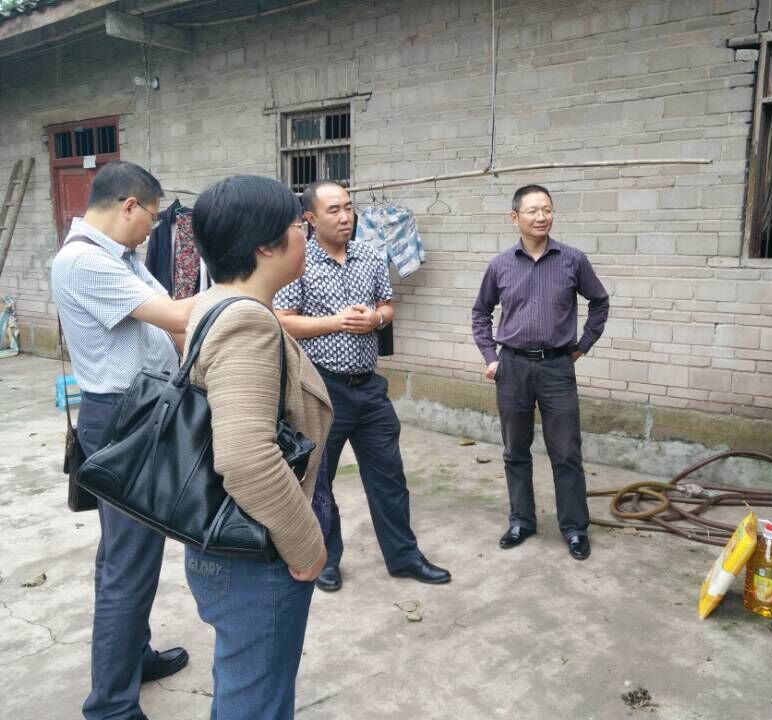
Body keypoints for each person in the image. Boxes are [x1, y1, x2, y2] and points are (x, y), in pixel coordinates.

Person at [184, 175, 332, 718]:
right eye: (298, 225)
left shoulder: (216, 301)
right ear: (265, 245)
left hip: (232, 545)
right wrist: (307, 545)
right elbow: (247, 459)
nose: (305, 236)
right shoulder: (247, 320)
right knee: (256, 704)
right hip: (256, 552)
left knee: (246, 690)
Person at [51, 161, 193, 720]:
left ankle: (133, 656)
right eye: (152, 217)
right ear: (129, 205)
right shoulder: (85, 261)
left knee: (124, 555)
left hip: (138, 412)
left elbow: (170, 324)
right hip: (122, 418)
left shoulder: (122, 257)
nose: (154, 228)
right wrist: (239, 293)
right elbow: (175, 312)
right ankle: (111, 705)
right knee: (129, 564)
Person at [275, 180, 450, 591]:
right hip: (322, 390)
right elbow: (282, 320)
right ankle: (325, 557)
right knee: (319, 481)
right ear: (310, 218)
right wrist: (336, 322)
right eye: (334, 210)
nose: (345, 217)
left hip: (369, 389)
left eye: (348, 208)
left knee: (389, 477)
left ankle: (404, 557)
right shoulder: (298, 260)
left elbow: (387, 306)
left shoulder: (370, 254)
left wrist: (376, 319)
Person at [471, 184, 610, 560]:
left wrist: (582, 345)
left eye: (547, 209)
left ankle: (574, 528)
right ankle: (522, 520)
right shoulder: (500, 265)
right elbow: (480, 312)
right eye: (532, 210)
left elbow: (600, 302)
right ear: (515, 217)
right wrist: (490, 357)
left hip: (557, 368)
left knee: (566, 451)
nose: (541, 217)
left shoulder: (572, 260)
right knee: (515, 449)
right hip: (512, 367)